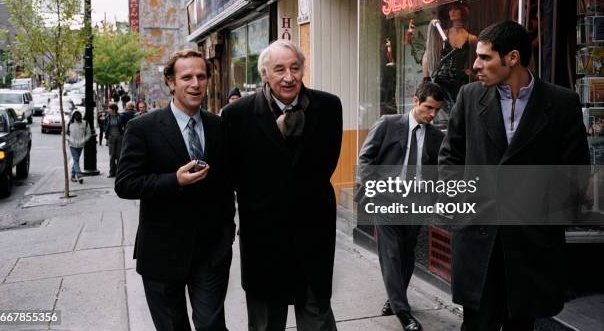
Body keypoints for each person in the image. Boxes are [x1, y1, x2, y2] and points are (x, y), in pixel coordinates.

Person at [438, 20, 589, 330]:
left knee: (522, 325)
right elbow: (449, 158)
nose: (476, 65)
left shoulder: (561, 103)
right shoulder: (468, 97)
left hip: (531, 246)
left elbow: (574, 175)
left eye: (485, 57)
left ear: (512, 58)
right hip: (478, 240)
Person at [222, 40, 343, 331]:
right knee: (265, 321)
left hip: (313, 232)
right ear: (265, 74)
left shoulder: (327, 106)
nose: (289, 76)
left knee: (316, 315)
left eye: (295, 68)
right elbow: (235, 175)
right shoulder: (237, 115)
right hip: (263, 235)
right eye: (279, 69)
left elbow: (326, 164)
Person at [115, 49, 235, 331]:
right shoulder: (142, 127)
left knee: (212, 325)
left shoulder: (219, 126)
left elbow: (227, 182)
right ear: (171, 82)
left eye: (201, 76)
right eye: (187, 77)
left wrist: (226, 234)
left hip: (210, 253)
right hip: (162, 254)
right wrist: (174, 181)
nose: (195, 84)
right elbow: (125, 184)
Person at [357, 82, 445, 331]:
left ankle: (395, 299)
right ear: (415, 100)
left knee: (406, 255)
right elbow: (365, 157)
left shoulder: (436, 137)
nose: (432, 114)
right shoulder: (388, 123)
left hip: (416, 203)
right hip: (386, 199)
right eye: (428, 107)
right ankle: (403, 313)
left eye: (437, 110)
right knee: (392, 253)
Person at [67, 110, 93, 184]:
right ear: (74, 117)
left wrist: (84, 140)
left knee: (76, 160)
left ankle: (72, 176)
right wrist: (68, 139)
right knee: (75, 159)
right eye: (76, 117)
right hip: (72, 145)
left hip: (81, 145)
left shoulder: (85, 123)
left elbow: (89, 134)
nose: (77, 118)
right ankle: (79, 175)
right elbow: (65, 133)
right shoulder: (70, 124)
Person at [104, 103, 124, 178]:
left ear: (113, 109)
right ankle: (112, 172)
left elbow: (124, 125)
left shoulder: (120, 117)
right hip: (111, 138)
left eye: (109, 108)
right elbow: (105, 127)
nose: (108, 110)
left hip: (119, 138)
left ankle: (119, 172)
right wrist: (107, 136)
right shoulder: (107, 117)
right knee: (112, 156)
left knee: (119, 156)